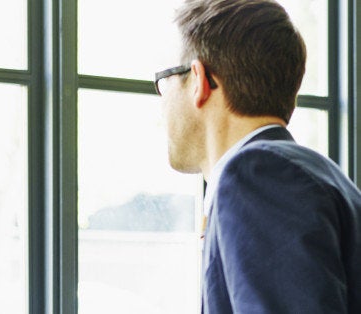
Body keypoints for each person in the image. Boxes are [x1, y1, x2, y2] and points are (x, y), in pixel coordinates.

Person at [154, 0, 361, 312]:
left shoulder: (256, 176)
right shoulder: (318, 176)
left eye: (162, 82)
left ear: (198, 80)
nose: (161, 104)